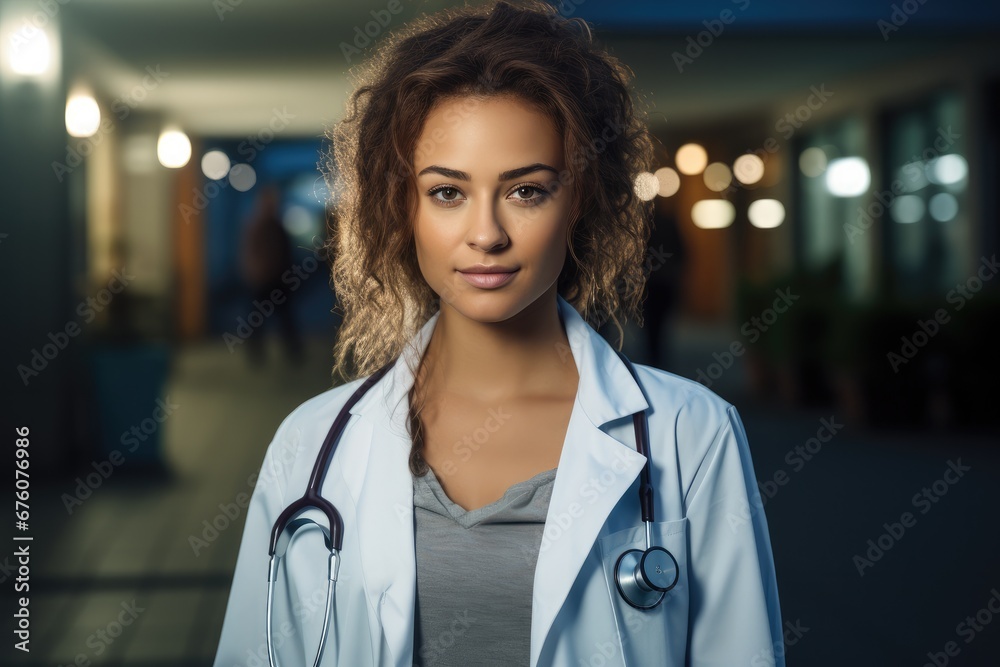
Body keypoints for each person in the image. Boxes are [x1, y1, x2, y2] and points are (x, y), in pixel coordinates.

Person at [213, 2, 783, 666]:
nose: (486, 234)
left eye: (526, 191)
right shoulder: (311, 445)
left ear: (580, 200)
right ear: (405, 208)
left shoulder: (693, 435)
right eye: (447, 193)